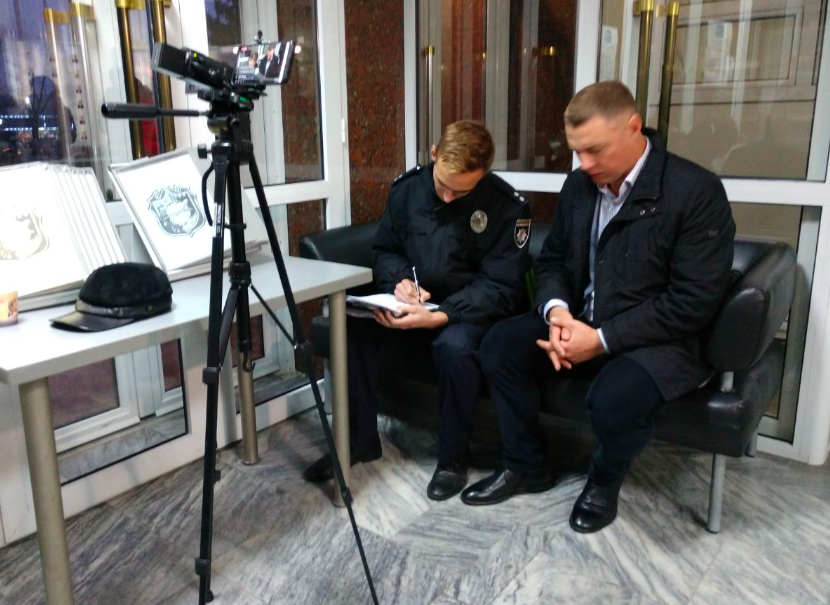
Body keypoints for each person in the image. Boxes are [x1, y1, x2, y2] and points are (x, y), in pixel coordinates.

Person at [463, 81, 735, 533]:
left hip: (657, 338)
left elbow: (693, 301)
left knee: (616, 397)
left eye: (595, 150)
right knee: (499, 346)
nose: (584, 164)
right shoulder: (579, 186)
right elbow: (553, 260)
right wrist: (557, 314)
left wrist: (602, 340)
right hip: (581, 318)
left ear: (633, 127)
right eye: (577, 152)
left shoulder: (695, 192)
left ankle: (604, 482)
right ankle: (525, 465)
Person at [303, 120, 532, 500]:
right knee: (351, 326)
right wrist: (398, 282)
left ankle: (453, 459)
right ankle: (358, 440)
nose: (448, 197)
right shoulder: (407, 190)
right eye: (442, 184)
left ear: (483, 174)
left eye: (461, 191)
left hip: (468, 311)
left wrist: (443, 314)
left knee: (454, 348)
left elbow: (500, 286)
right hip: (414, 301)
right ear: (433, 154)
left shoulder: (506, 207)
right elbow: (386, 250)